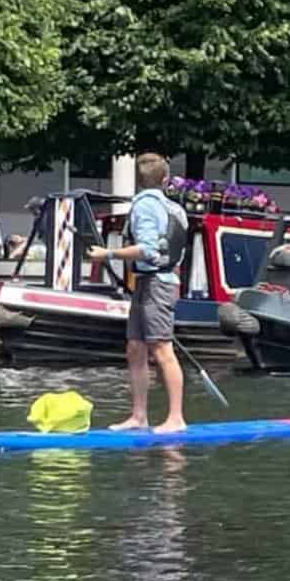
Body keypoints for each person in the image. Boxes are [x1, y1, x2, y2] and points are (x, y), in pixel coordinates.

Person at [87, 153, 190, 433]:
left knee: (161, 348)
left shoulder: (145, 206)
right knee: (135, 348)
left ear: (138, 181)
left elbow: (146, 249)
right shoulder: (176, 209)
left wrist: (107, 253)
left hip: (157, 284)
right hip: (150, 282)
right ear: (166, 180)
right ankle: (139, 416)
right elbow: (175, 249)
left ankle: (176, 418)